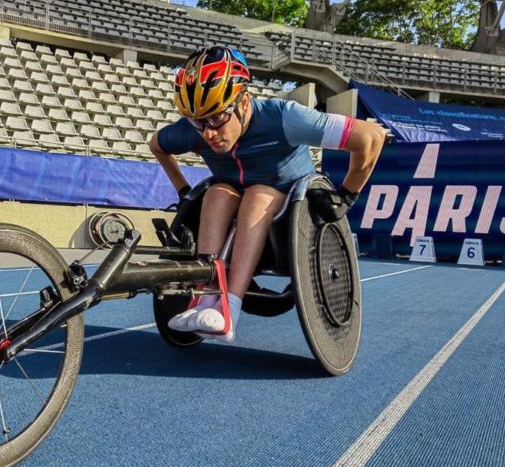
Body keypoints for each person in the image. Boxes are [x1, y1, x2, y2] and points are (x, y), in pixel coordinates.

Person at [149, 46, 386, 343]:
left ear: (244, 103)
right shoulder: (193, 131)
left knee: (257, 195)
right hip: (231, 197)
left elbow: (371, 138)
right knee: (216, 193)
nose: (208, 133)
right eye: (198, 122)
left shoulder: (285, 118)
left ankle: (229, 308)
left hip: (286, 203)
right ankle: (205, 298)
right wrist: (183, 190)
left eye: (217, 118)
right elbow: (156, 146)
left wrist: (347, 195)